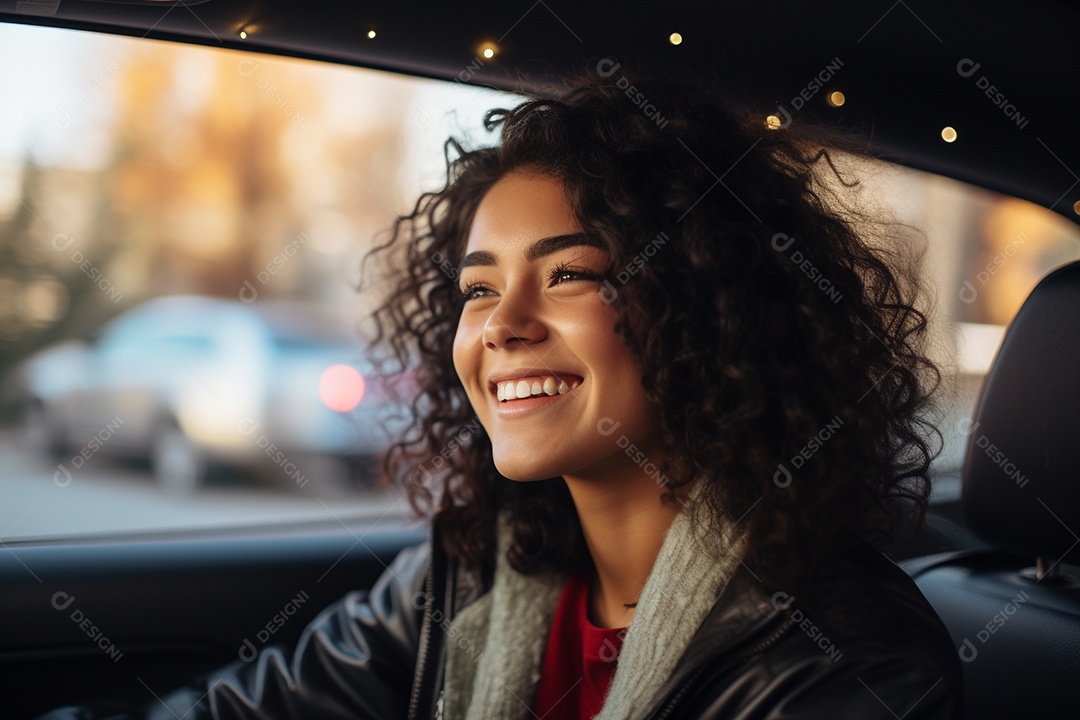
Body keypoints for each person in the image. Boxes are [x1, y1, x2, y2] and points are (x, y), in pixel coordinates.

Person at [41, 74, 965, 719]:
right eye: (478, 289)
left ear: (711, 307)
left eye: (569, 275)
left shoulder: (848, 662)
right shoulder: (464, 576)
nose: (501, 326)